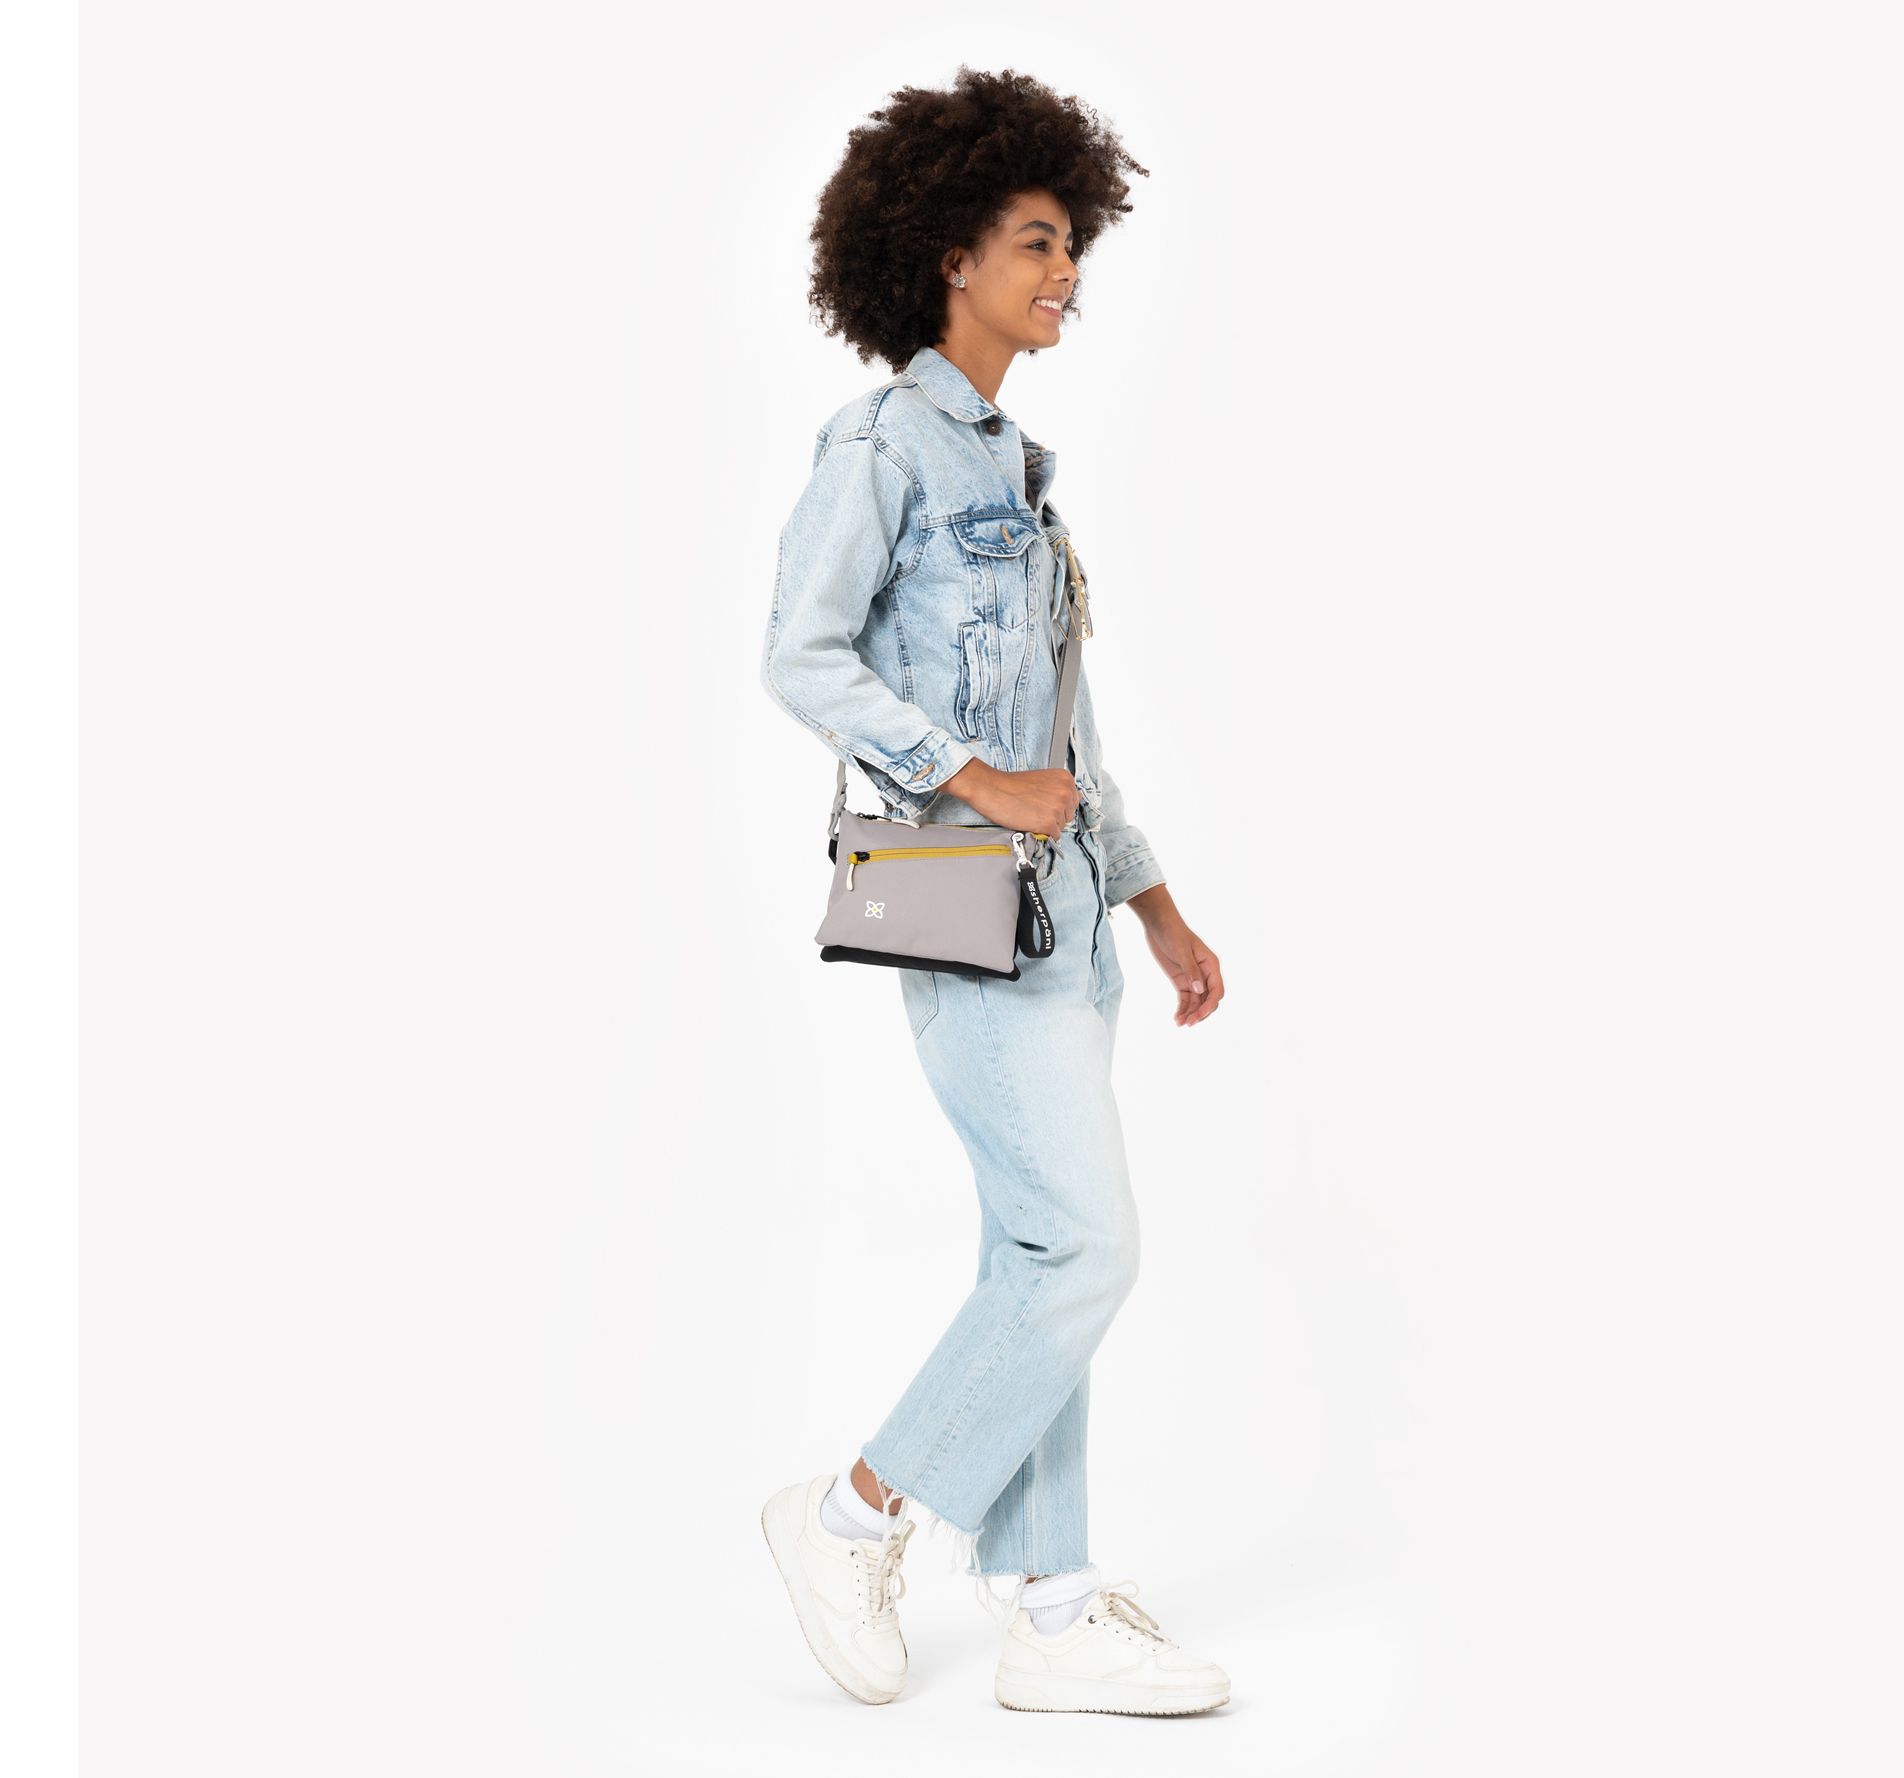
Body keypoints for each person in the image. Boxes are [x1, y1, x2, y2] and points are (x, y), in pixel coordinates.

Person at [756, 67, 1229, 1717]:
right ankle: (848, 1513)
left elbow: (1065, 731)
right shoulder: (882, 446)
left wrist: (1152, 901)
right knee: (1083, 1247)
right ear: (949, 254)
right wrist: (964, 770)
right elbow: (800, 654)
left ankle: (1052, 1605)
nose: (1065, 272)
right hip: (965, 915)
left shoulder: (1020, 470)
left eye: (1071, 244)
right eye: (1037, 241)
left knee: (1041, 1263)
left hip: (1072, 921)